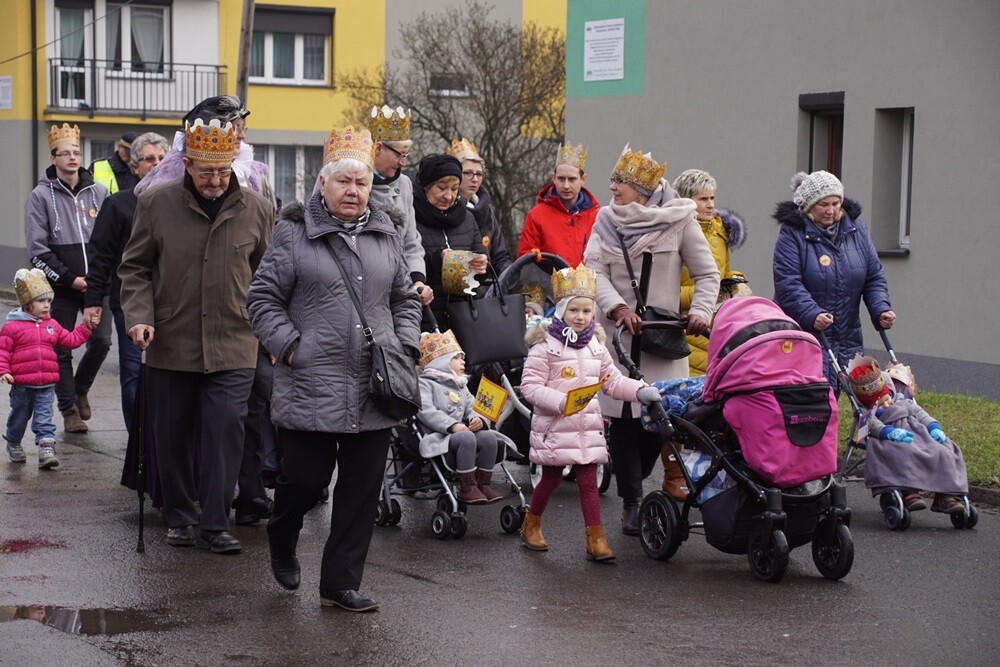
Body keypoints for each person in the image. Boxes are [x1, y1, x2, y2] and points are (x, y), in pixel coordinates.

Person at [247, 125, 421, 612]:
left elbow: (404, 299)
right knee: (305, 482)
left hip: (374, 384)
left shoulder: (385, 232)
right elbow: (262, 300)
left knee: (361, 492)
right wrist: (290, 347)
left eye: (361, 182)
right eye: (343, 181)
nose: (353, 190)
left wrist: (404, 345)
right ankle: (282, 533)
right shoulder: (294, 231)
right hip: (310, 381)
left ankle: (339, 584)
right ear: (322, 183)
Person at [119, 118, 274, 555]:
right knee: (173, 434)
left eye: (222, 171)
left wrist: (271, 332)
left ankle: (215, 523)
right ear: (186, 164)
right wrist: (139, 317)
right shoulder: (156, 203)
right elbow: (135, 268)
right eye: (206, 171)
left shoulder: (258, 209)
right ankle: (180, 517)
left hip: (235, 340)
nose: (215, 180)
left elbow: (269, 277)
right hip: (171, 338)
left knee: (225, 434)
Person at [583, 144, 720, 535]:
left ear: (642, 191)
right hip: (620, 340)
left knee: (657, 423)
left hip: (664, 341)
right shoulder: (605, 220)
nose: (612, 188)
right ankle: (632, 502)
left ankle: (637, 477)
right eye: (613, 181)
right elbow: (593, 271)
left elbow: (708, 274)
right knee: (624, 422)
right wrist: (616, 308)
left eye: (620, 182)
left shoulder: (680, 220)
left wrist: (701, 311)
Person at [519, 264, 661, 560]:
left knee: (588, 482)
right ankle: (532, 523)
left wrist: (639, 390)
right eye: (574, 310)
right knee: (550, 479)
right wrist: (560, 402)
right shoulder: (544, 346)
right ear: (561, 310)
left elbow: (612, 381)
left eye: (586, 311)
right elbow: (530, 387)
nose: (580, 317)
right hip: (555, 427)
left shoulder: (596, 345)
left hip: (587, 429)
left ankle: (596, 539)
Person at [24, 123, 111, 434]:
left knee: (101, 341)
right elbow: (37, 251)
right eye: (65, 153)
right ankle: (69, 409)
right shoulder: (40, 196)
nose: (72, 157)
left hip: (96, 284)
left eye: (76, 152)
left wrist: (98, 277)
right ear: (53, 158)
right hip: (60, 287)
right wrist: (70, 278)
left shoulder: (99, 192)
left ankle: (80, 388)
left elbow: (109, 240)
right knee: (61, 348)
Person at [772, 171, 895, 389]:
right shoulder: (792, 234)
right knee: (811, 397)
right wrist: (812, 314)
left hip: (846, 337)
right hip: (806, 335)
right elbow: (788, 283)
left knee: (840, 395)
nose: (831, 210)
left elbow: (873, 277)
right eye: (823, 204)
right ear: (808, 206)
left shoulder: (857, 231)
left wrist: (881, 309)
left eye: (836, 203)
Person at [83, 132, 168, 433]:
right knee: (133, 372)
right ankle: (138, 441)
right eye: (148, 159)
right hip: (130, 302)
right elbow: (101, 256)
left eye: (161, 158)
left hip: (171, 302)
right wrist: (93, 300)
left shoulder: (178, 205)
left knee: (168, 374)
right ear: (135, 167)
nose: (156, 164)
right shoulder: (118, 204)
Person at [847, 356, 968, 515]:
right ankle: (909, 493)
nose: (887, 405)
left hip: (918, 435)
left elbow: (921, 414)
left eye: (887, 400)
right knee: (903, 454)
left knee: (944, 451)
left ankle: (946, 495)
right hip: (891, 438)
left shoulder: (903, 400)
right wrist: (888, 432)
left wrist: (933, 427)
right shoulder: (867, 414)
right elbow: (872, 425)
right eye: (881, 405)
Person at [1, 269, 93, 469]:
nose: (46, 305)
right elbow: (3, 351)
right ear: (27, 303)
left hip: (47, 384)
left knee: (44, 418)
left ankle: (46, 449)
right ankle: (13, 441)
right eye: (41, 301)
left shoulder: (52, 325)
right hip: (22, 385)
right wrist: (4, 371)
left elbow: (70, 340)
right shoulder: (12, 327)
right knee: (19, 417)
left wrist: (86, 328)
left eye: (49, 301)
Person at [671, 169, 748, 376]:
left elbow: (722, 272)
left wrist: (734, 282)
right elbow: (662, 291)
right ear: (686, 200)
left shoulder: (720, 231)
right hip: (685, 325)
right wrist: (707, 293)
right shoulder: (672, 233)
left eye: (712, 198)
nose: (711, 204)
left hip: (715, 323)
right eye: (703, 199)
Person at [134, 95, 273, 207]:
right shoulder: (172, 173)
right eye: (235, 129)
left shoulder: (253, 171)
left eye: (243, 128)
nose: (242, 135)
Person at [416, 330, 501, 504]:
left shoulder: (461, 385)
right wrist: (452, 425)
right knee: (466, 437)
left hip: (464, 431)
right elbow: (426, 410)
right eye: (457, 358)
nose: (463, 361)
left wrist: (478, 419)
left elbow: (473, 406)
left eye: (462, 358)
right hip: (439, 435)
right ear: (441, 361)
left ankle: (483, 484)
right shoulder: (425, 383)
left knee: (489, 437)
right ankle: (467, 487)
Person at [412, 154, 488, 331]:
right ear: (426, 186)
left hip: (463, 318)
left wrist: (482, 265)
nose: (448, 196)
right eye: (441, 188)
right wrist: (437, 259)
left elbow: (482, 269)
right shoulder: (411, 217)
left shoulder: (466, 217)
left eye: (454, 189)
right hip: (425, 318)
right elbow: (401, 265)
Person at [369, 105, 433, 307]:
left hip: (399, 289)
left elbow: (411, 240)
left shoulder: (404, 184)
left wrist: (418, 280)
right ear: (378, 148)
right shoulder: (353, 181)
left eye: (406, 155)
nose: (403, 163)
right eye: (400, 155)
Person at [517, 142, 600, 267]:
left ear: (583, 179)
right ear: (554, 178)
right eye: (561, 179)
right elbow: (525, 262)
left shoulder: (597, 218)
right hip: (548, 279)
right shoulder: (536, 216)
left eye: (572, 179)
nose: (566, 185)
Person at [446, 138, 511, 274]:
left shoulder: (487, 211)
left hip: (490, 283)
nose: (475, 179)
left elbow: (500, 256)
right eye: (468, 173)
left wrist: (509, 274)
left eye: (479, 174)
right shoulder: (446, 208)